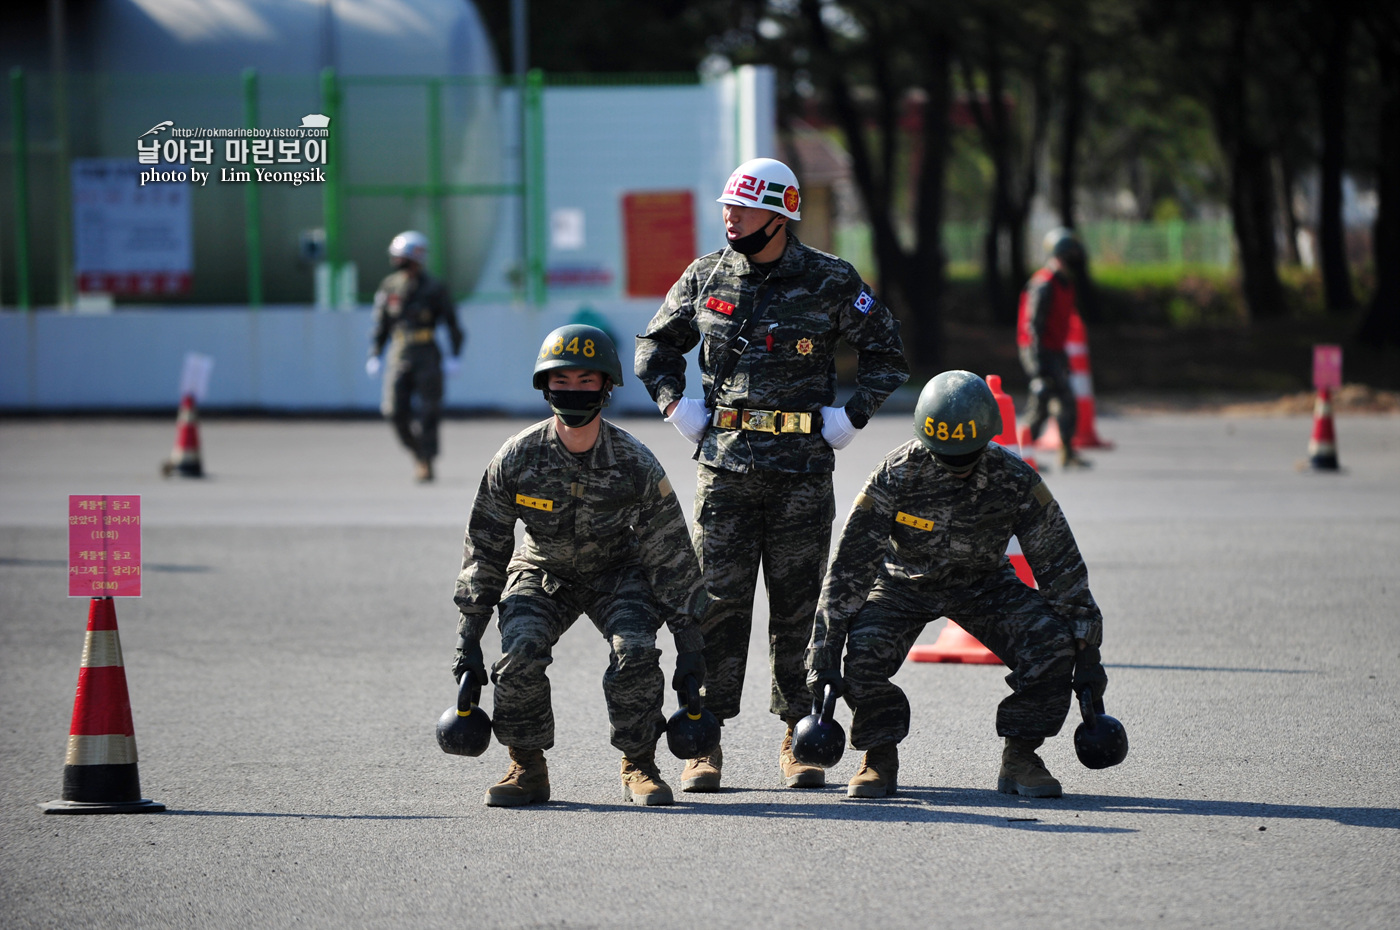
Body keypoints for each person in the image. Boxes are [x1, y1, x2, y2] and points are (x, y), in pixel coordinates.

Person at [635, 157, 909, 792]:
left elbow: (886, 352)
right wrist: (676, 404)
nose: (729, 216)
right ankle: (704, 741)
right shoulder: (705, 276)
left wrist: (854, 416)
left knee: (799, 606)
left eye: (743, 206)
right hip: (724, 471)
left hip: (802, 472)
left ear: (780, 214)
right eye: (727, 205)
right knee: (716, 607)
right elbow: (654, 346)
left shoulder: (830, 279)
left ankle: (799, 733)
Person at [805, 370, 1109, 799]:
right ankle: (879, 754)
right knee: (864, 653)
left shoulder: (1015, 480)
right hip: (902, 584)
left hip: (985, 583)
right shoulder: (894, 475)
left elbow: (1060, 564)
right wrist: (824, 652)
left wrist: (1087, 647)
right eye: (945, 457)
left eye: (967, 456)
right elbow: (848, 570)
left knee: (1050, 643)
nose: (957, 468)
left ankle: (1021, 756)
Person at [452, 324, 708, 808]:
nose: (573, 391)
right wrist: (468, 639)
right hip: (542, 570)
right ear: (544, 387)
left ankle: (639, 763)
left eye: (586, 381)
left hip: (617, 571)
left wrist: (690, 645)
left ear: (607, 386)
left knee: (634, 651)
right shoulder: (517, 457)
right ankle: (526, 766)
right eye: (561, 380)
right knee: (520, 651)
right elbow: (485, 549)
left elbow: (670, 553)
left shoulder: (635, 462)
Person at [366, 230, 464, 482]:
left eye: (403, 257)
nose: (398, 261)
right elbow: (382, 323)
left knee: (430, 410)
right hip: (399, 353)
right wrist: (375, 353)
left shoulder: (434, 287)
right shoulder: (389, 286)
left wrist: (455, 355)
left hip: (427, 354)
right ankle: (418, 452)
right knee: (393, 411)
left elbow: (452, 323)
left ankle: (426, 462)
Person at [1018, 227, 1090, 469]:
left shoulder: (1065, 284)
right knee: (1041, 399)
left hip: (1055, 350)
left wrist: (1061, 357)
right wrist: (1038, 362)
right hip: (1037, 349)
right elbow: (1033, 325)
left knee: (1066, 400)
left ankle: (1066, 453)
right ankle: (1021, 456)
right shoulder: (1044, 284)